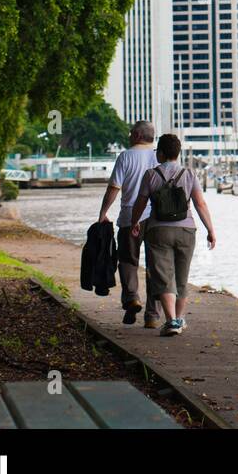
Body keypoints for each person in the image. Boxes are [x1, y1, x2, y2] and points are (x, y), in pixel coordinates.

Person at [129, 133, 216, 337]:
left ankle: (171, 321)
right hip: (186, 230)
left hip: (158, 230)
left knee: (164, 277)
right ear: (178, 153)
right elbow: (200, 203)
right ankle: (179, 318)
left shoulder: (151, 175)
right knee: (181, 277)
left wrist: (134, 223)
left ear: (160, 153)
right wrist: (210, 229)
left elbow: (140, 202)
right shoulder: (189, 174)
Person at [96, 121, 163, 327]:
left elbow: (114, 188)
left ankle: (132, 297)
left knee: (127, 260)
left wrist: (103, 213)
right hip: (156, 219)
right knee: (156, 266)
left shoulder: (125, 156)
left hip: (128, 218)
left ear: (135, 135)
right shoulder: (159, 157)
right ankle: (152, 315)